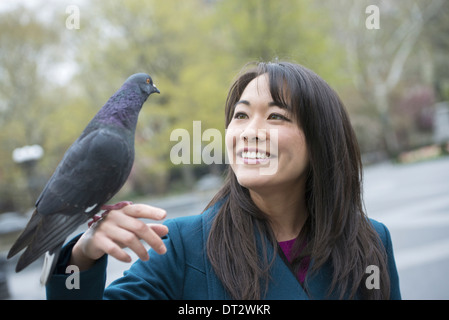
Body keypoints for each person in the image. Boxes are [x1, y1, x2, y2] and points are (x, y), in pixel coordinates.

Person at [46, 61, 401, 300]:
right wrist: (83, 257)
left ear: (321, 139)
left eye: (276, 116)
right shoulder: (178, 247)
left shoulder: (371, 242)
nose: (250, 131)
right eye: (241, 115)